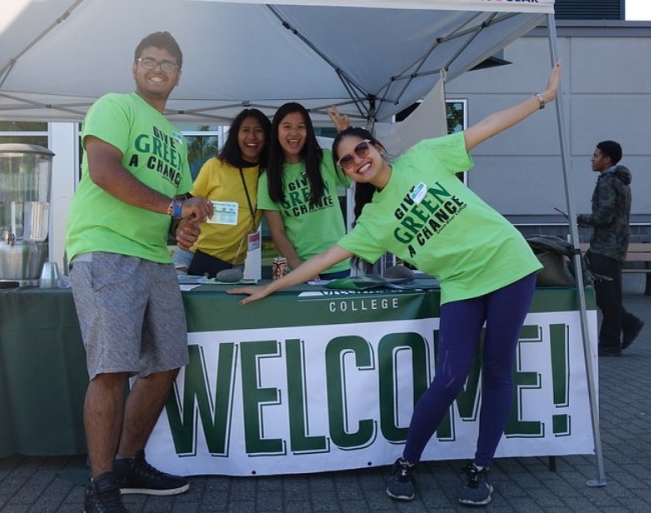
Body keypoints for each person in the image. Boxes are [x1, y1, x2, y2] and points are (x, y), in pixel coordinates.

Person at [229, 61, 563, 507]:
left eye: (361, 149)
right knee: (448, 378)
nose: (356, 160)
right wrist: (273, 287)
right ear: (345, 173)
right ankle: (407, 461)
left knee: (499, 371)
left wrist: (542, 99)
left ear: (377, 146)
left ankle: (480, 468)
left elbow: (484, 126)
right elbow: (327, 258)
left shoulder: (424, 156)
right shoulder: (372, 221)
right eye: (346, 160)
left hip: (508, 264)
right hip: (461, 284)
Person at [65, 31, 212, 513]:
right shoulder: (114, 106)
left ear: (179, 75)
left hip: (154, 257)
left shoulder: (173, 138)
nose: (158, 68)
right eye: (149, 60)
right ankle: (101, 485)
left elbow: (176, 210)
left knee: (167, 361)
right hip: (104, 250)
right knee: (111, 368)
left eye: (168, 63)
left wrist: (183, 229)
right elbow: (105, 172)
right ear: (134, 68)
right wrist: (176, 208)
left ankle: (128, 462)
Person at [257, 102, 352, 280]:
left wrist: (343, 135)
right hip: (302, 268)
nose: (294, 133)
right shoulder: (268, 179)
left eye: (301, 127)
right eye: (287, 127)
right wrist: (300, 268)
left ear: (308, 132)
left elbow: (353, 171)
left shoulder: (325, 159)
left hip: (337, 262)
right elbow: (277, 232)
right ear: (276, 133)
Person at [173, 108, 271, 276]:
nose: (252, 137)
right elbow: (179, 206)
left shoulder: (269, 174)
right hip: (191, 257)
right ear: (235, 136)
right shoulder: (215, 166)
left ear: (267, 138)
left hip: (233, 266)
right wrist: (178, 228)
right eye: (245, 130)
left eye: (258, 131)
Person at [577, 140, 644, 357]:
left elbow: (603, 216)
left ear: (607, 160)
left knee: (605, 296)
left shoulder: (608, 182)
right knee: (608, 294)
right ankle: (613, 339)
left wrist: (579, 218)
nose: (592, 158)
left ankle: (616, 337)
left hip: (606, 247)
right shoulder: (621, 182)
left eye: (596, 155)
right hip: (614, 246)